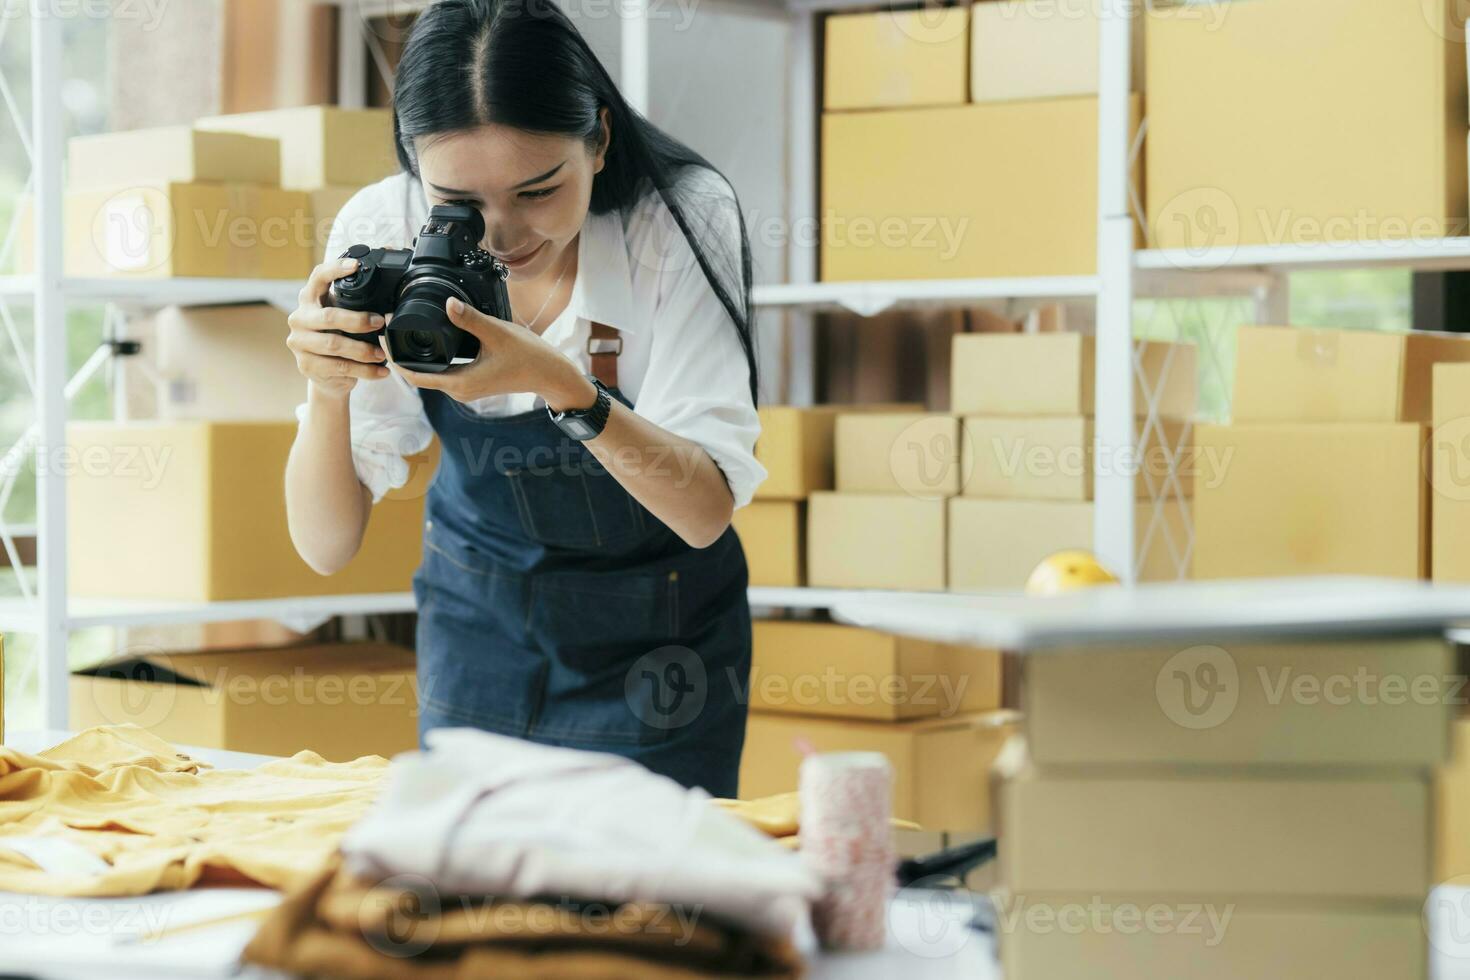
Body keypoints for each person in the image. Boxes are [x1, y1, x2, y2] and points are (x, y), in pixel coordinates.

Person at [282, 0, 764, 797]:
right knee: (474, 900)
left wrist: (554, 379)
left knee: (652, 907)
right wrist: (327, 390)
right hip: (480, 634)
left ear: (599, 140)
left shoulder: (678, 217)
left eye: (539, 191)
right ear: (415, 165)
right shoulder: (381, 223)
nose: (502, 235)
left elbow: (704, 510)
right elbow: (324, 546)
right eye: (459, 206)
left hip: (659, 647)